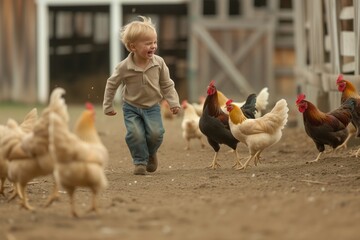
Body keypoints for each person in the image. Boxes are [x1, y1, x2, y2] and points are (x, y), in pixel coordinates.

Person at [103, 16, 181, 175]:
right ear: (133, 47)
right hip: (131, 107)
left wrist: (173, 102)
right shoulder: (124, 67)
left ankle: (151, 153)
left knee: (156, 134)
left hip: (152, 107)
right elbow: (112, 84)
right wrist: (108, 104)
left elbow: (167, 84)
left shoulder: (159, 63)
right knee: (135, 134)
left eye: (155, 42)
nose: (153, 46)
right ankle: (140, 162)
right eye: (148, 43)